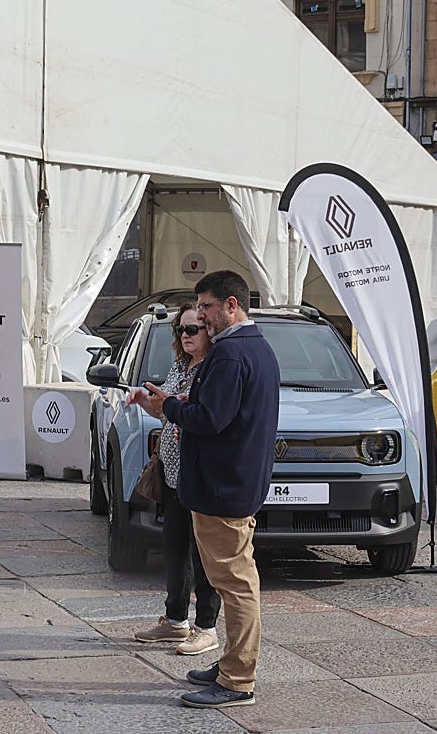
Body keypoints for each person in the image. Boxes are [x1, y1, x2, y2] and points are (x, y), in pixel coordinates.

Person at [135, 270, 279, 710]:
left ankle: (237, 680)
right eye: (200, 307)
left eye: (207, 306)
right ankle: (231, 663)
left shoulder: (233, 354)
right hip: (231, 482)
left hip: (223, 486)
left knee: (235, 585)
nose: (201, 315)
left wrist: (169, 406)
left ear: (231, 305)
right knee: (233, 579)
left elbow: (209, 418)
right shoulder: (252, 348)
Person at [130, 304, 221, 656]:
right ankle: (175, 620)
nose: (185, 335)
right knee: (174, 546)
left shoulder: (212, 369)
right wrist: (143, 401)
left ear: (209, 333)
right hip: (172, 473)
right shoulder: (180, 366)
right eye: (180, 330)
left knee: (203, 554)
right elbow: (165, 408)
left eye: (193, 330)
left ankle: (207, 627)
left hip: (198, 474)